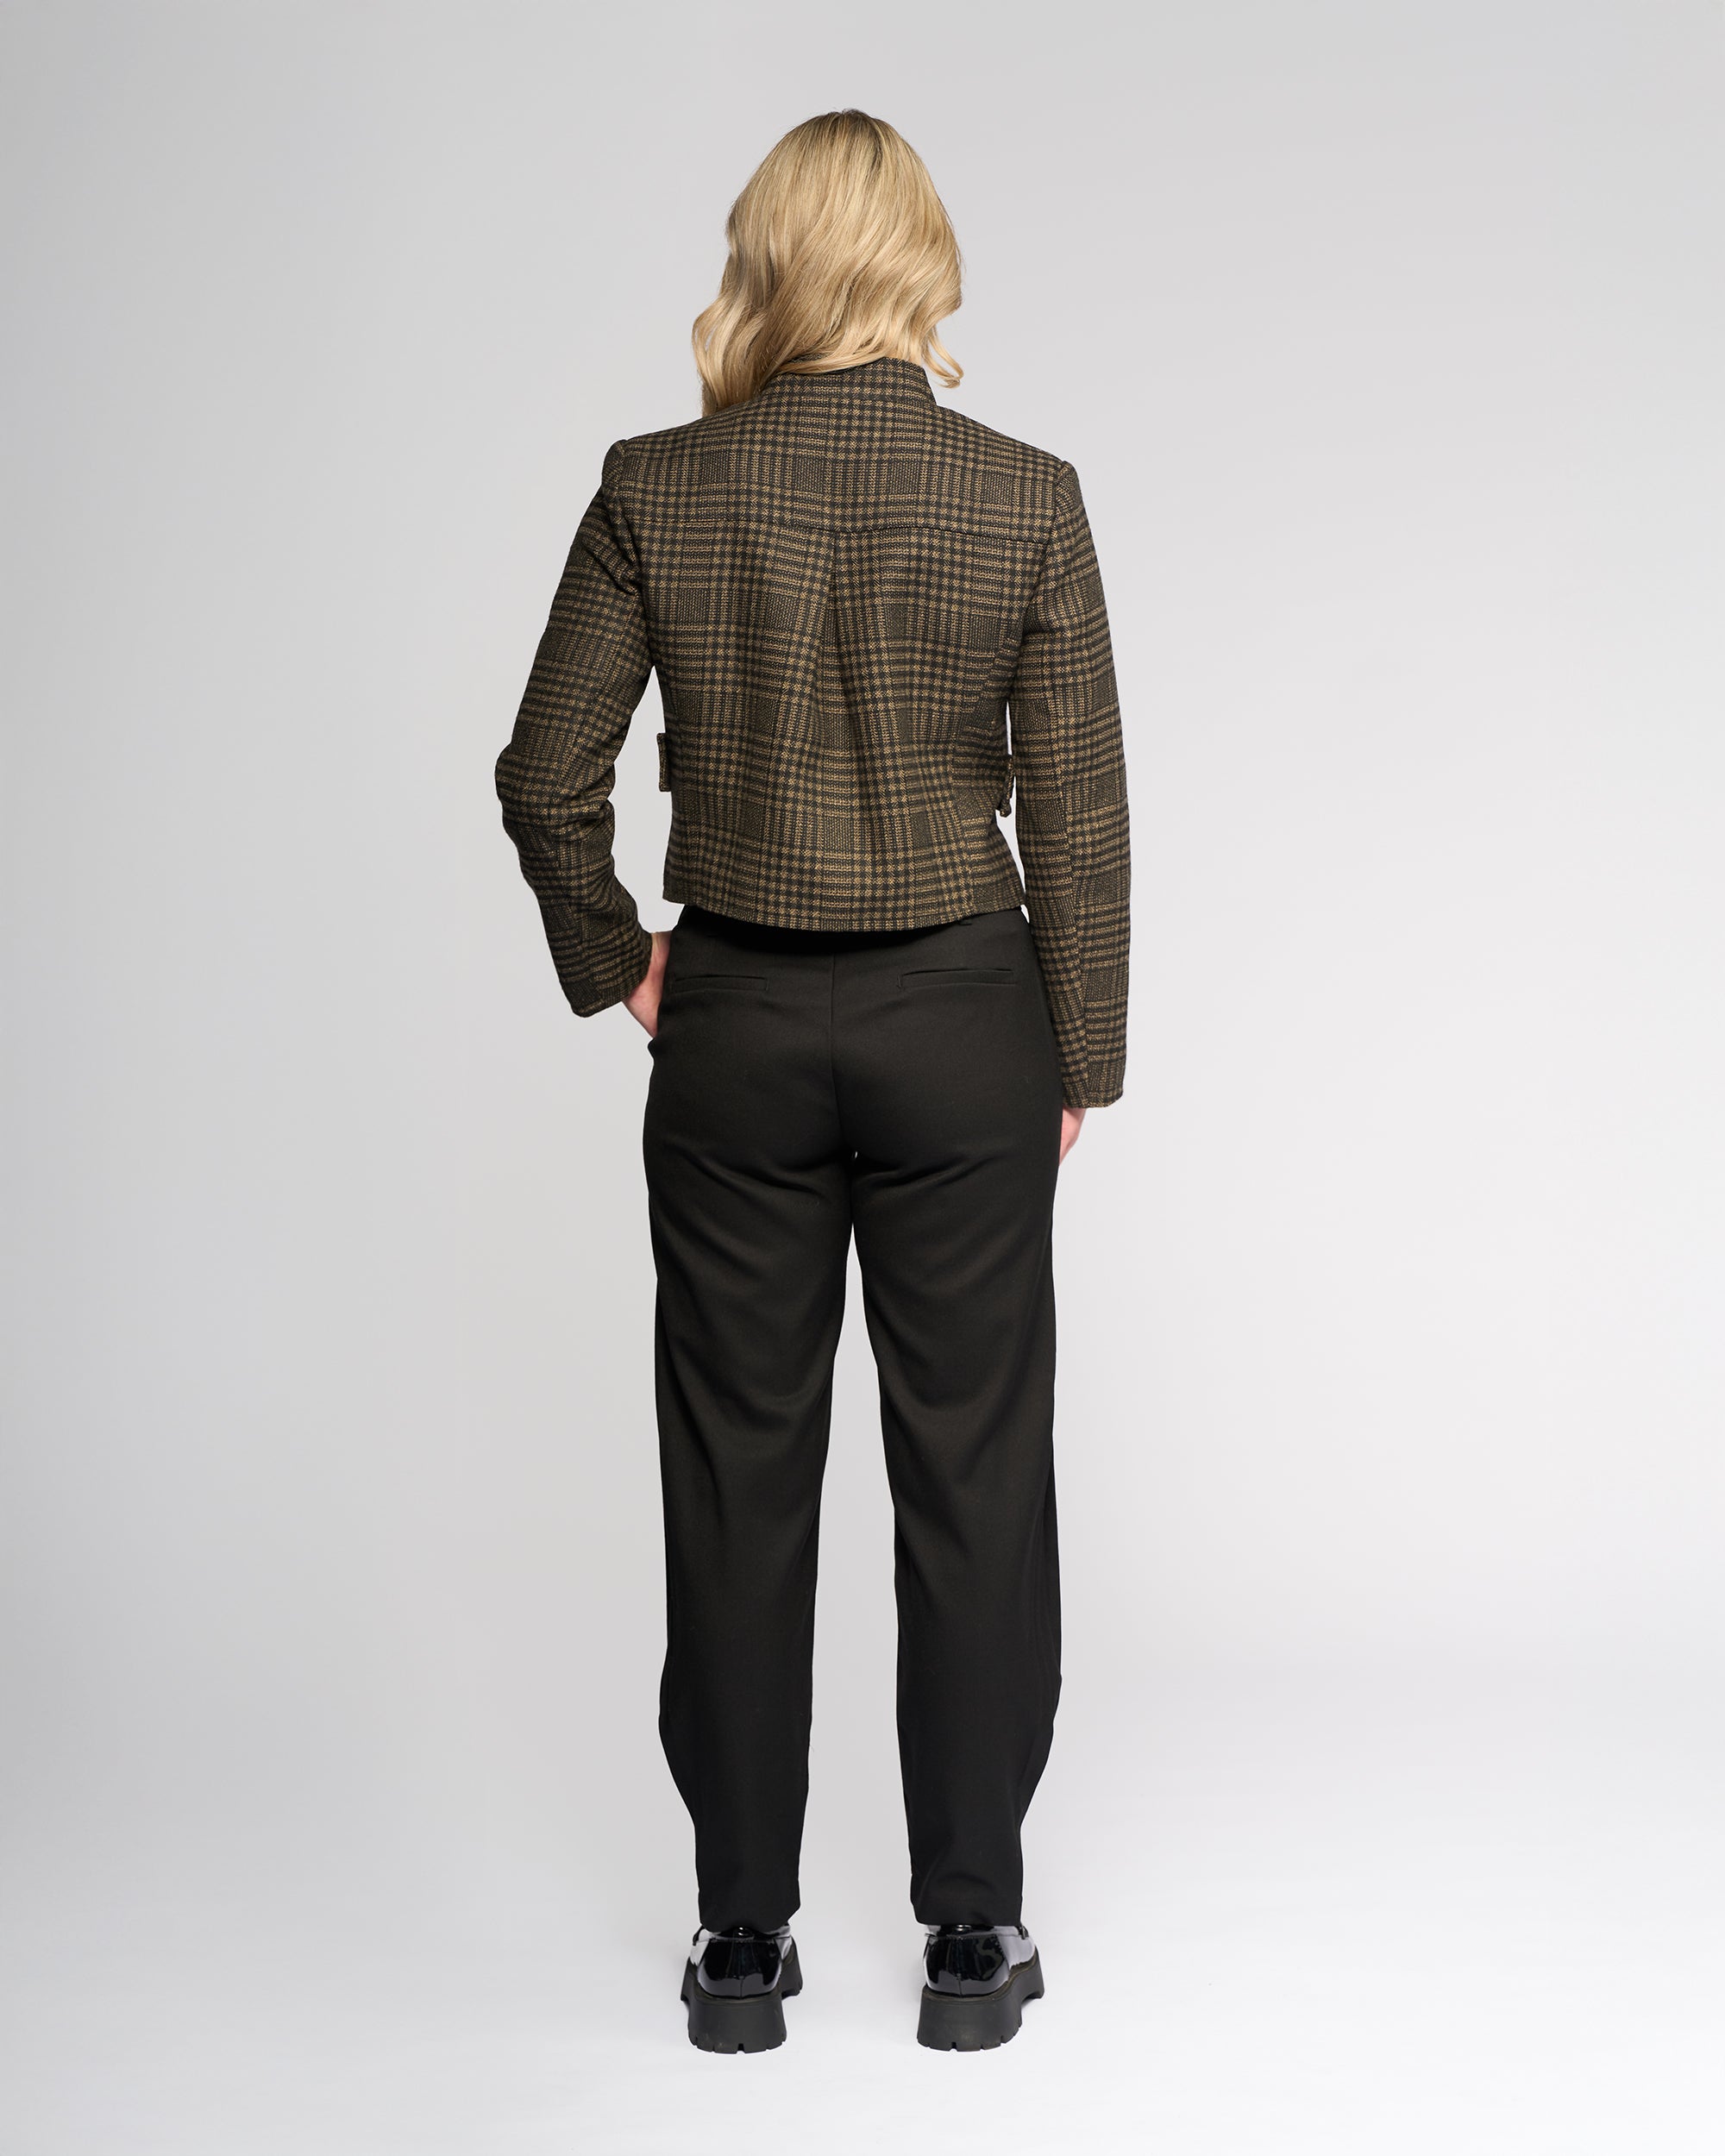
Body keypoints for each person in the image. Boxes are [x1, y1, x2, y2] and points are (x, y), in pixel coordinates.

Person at [494, 108, 1129, 2054]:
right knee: (975, 1472)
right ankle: (972, 1937)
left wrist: (622, 963)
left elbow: (543, 773)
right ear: (918, 258)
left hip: (741, 1031)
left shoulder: (658, 486)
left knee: (735, 1472)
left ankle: (737, 1945)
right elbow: (1080, 815)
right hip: (962, 1021)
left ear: (766, 257)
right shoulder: (1023, 495)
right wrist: (1079, 1052)